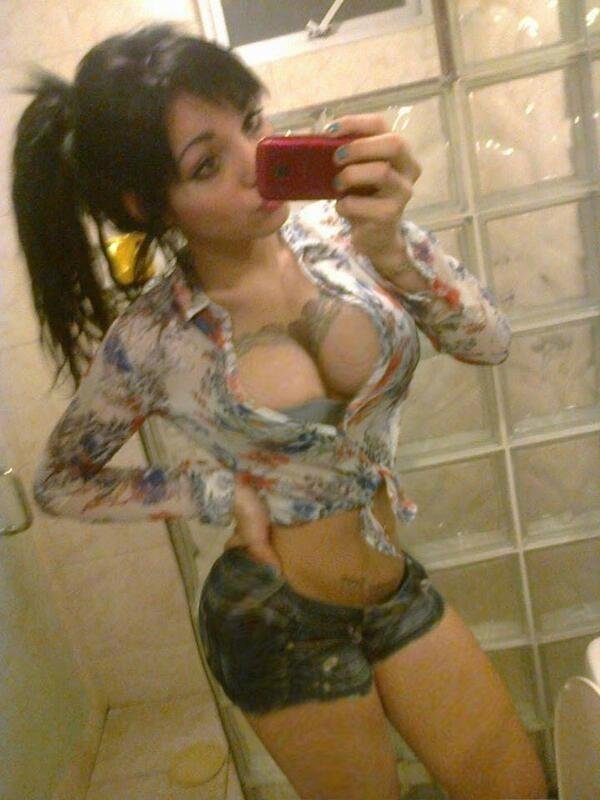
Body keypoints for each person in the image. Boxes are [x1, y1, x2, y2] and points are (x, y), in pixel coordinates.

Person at [11, 23, 548, 800]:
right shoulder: (153, 338)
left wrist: (394, 251)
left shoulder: (351, 238)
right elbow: (62, 480)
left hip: (393, 589)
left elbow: (489, 341)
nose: (254, 165)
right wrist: (217, 492)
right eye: (206, 164)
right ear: (148, 203)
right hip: (276, 622)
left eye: (252, 123)